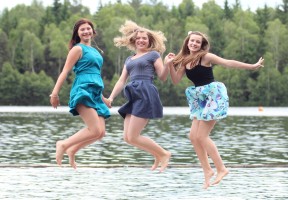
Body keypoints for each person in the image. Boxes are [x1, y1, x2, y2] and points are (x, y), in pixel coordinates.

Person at [164, 31, 264, 188]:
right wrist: (169, 64)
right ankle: (207, 170)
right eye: (192, 41)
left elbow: (228, 62)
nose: (194, 44)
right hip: (199, 97)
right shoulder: (184, 61)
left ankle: (222, 168)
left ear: (202, 45)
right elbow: (176, 80)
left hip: (213, 96)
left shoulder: (206, 57)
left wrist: (251, 66)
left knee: (202, 136)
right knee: (193, 136)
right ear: (187, 42)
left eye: (198, 42)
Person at [106, 20, 171, 172]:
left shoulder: (153, 55)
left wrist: (167, 64)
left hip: (145, 93)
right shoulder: (129, 59)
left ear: (149, 41)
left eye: (144, 38)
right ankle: (157, 155)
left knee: (134, 136)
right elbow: (122, 80)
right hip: (134, 94)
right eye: (139, 38)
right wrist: (110, 98)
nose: (141, 40)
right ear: (134, 40)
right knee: (127, 138)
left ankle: (164, 153)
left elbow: (162, 76)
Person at [50, 18, 110, 169]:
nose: (86, 31)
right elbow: (65, 71)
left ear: (93, 31)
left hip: (96, 93)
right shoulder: (77, 49)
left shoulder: (96, 51)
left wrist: (104, 98)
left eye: (88, 28)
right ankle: (63, 144)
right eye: (82, 29)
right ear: (77, 33)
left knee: (100, 133)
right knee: (94, 129)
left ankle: (72, 150)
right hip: (83, 90)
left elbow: (95, 76)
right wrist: (55, 94)